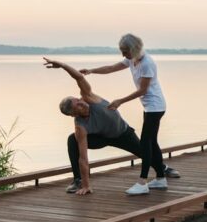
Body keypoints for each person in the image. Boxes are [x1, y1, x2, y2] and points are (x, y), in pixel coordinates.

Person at [44, 57, 165, 196]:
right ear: (73, 114)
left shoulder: (88, 97)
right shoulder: (80, 127)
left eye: (77, 100)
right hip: (100, 137)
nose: (80, 102)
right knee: (73, 140)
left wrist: (62, 65)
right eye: (77, 105)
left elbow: (79, 77)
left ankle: (162, 168)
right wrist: (86, 185)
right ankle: (78, 180)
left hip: (122, 133)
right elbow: (83, 158)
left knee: (144, 152)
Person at [80, 33, 179, 195]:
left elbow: (142, 90)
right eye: (122, 51)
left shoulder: (147, 63)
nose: (123, 54)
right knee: (152, 142)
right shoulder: (132, 60)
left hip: (155, 106)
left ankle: (142, 183)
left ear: (134, 49)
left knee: (146, 144)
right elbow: (111, 68)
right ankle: (161, 179)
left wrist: (120, 101)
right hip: (150, 107)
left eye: (125, 51)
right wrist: (91, 71)